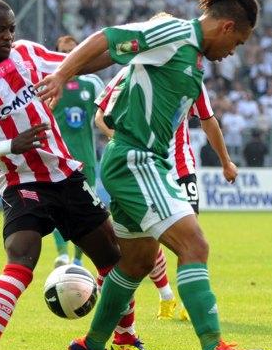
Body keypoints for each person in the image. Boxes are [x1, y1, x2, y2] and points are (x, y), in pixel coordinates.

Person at [37, 0, 265, 350]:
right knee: (194, 244)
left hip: (140, 160)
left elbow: (112, 54)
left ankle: (91, 346)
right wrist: (63, 74)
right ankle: (214, 348)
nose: (235, 50)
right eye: (239, 40)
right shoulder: (175, 34)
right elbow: (107, 37)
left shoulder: (192, 55)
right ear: (228, 26)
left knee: (137, 263)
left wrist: (76, 69)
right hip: (137, 159)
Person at [0, 0, 160, 350]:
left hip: (66, 176)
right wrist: (10, 145)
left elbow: (75, 61)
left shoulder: (25, 54)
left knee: (115, 262)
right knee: (21, 262)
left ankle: (125, 340)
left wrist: (129, 46)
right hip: (21, 183)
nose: (7, 36)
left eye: (10, 28)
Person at [95, 44, 238, 323]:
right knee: (147, 242)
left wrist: (225, 161)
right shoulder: (129, 73)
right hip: (139, 166)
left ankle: (187, 301)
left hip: (180, 166)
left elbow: (208, 122)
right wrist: (120, 139)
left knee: (189, 232)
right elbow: (100, 115)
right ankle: (165, 295)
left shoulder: (189, 76)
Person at [50, 35, 105, 268]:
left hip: (85, 158)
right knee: (55, 207)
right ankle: (62, 253)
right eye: (63, 52)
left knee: (86, 210)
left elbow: (106, 111)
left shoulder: (92, 83)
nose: (68, 56)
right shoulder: (51, 81)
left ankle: (78, 260)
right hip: (57, 156)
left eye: (73, 51)